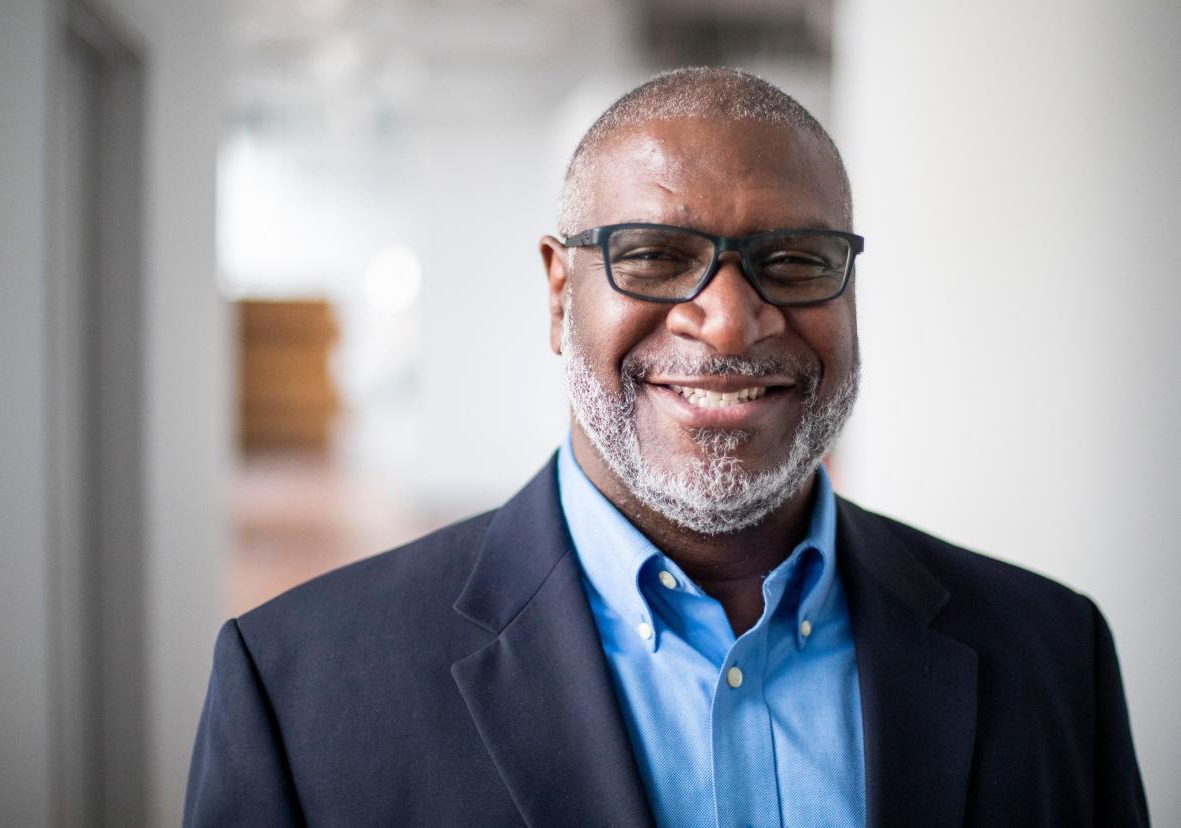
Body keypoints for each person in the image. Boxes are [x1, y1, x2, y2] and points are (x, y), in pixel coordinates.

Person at [184, 68, 1149, 827]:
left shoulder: (1052, 656)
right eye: (653, 255)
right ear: (561, 295)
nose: (729, 322)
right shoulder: (302, 688)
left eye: (797, 260)